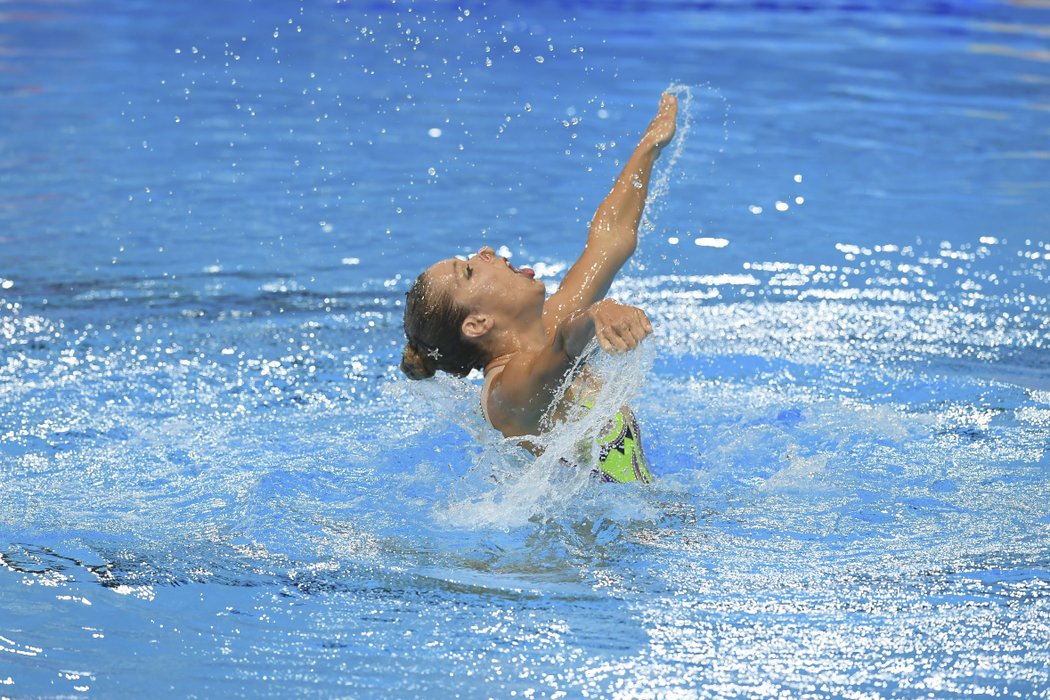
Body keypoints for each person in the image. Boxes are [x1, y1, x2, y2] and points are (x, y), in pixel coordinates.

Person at [400, 92, 678, 483]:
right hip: (596, 543)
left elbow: (611, 239)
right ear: (477, 323)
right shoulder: (506, 394)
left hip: (636, 526)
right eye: (468, 271)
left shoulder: (543, 329)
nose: (484, 251)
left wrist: (650, 144)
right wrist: (599, 312)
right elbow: (566, 345)